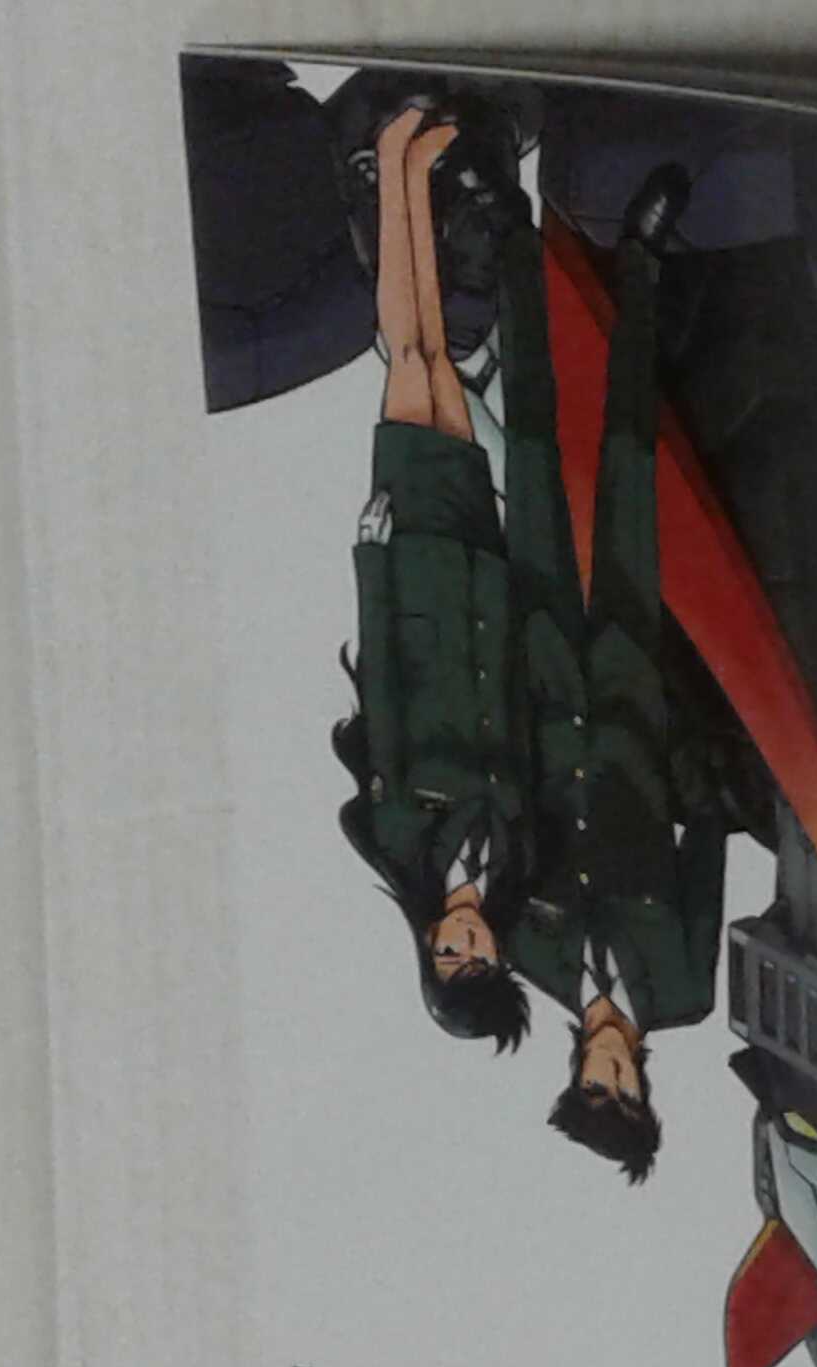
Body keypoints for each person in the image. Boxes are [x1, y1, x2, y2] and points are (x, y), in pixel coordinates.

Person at [335, 102, 539, 1051]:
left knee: (413, 357)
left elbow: (380, 687)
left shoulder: (399, 839)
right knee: (439, 363)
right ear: (498, 955)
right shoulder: (516, 854)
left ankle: (398, 171)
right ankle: (410, 179)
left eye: (446, 958)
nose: (462, 943)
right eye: (476, 960)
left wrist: (371, 558)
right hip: (479, 579)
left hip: (414, 575)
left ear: (427, 949)